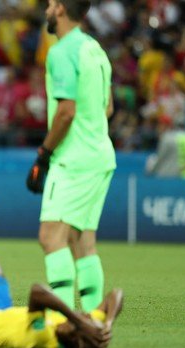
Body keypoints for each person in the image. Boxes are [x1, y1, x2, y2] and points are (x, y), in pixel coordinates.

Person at [28, 0, 116, 312]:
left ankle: (63, 322)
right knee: (82, 242)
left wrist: (44, 154)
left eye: (51, 4)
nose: (47, 10)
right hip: (101, 155)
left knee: (51, 237)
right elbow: (107, 108)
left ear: (62, 9)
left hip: (74, 159)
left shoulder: (62, 51)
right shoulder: (95, 50)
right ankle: (94, 323)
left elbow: (65, 112)